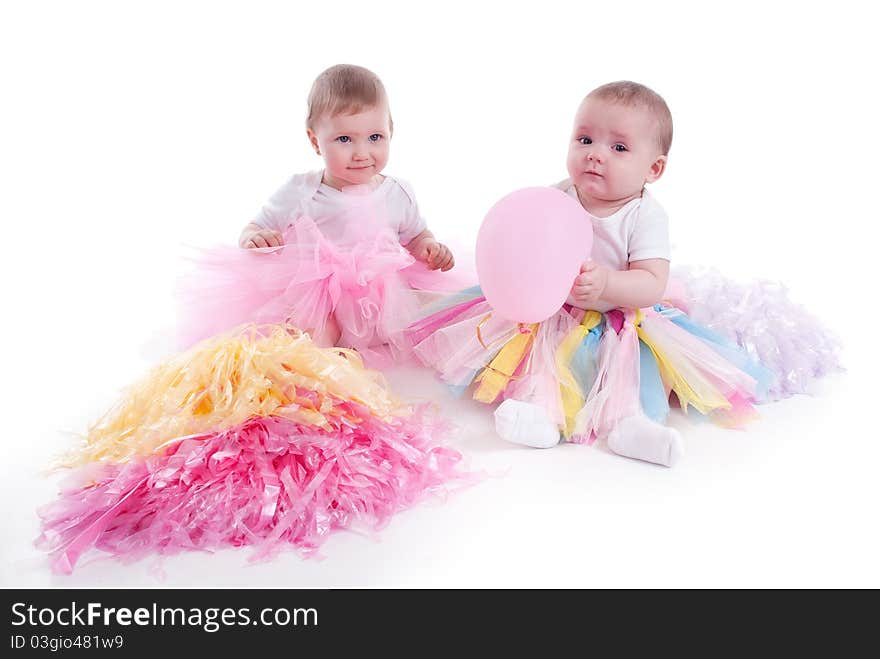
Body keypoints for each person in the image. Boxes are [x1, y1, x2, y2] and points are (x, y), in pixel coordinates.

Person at [408, 80, 837, 466]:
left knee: (633, 369)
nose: (595, 154)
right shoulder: (560, 194)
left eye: (618, 147)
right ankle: (539, 412)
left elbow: (653, 283)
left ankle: (634, 424)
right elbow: (531, 238)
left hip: (621, 318)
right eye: (585, 138)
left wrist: (610, 284)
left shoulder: (644, 215)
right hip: (554, 311)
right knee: (544, 361)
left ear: (653, 169)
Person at [177, 64, 466, 361]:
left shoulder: (397, 193)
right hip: (323, 299)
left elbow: (416, 234)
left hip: (382, 297)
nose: (361, 153)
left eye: (375, 137)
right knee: (313, 334)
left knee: (439, 314)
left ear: (391, 131)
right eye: (344, 140)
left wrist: (428, 248)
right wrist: (256, 236)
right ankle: (323, 365)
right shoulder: (302, 191)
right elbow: (255, 226)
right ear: (316, 141)